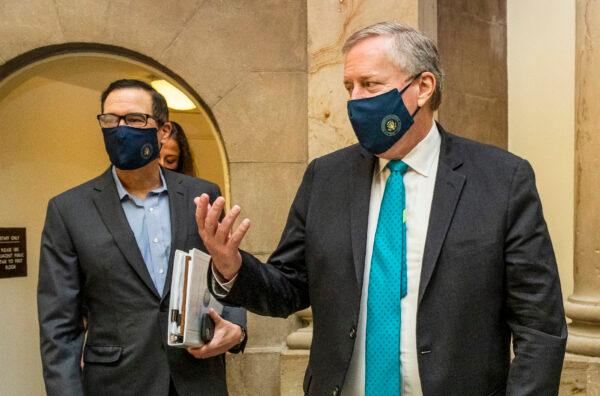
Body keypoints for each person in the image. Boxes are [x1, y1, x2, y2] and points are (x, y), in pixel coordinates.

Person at [195, 22, 567, 395]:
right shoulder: (327, 177)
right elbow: (289, 288)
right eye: (349, 87)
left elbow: (540, 325)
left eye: (370, 85)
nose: (356, 100)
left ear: (423, 87)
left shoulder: (501, 179)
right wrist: (232, 267)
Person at [38, 79, 247, 396]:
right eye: (110, 120)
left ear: (163, 131)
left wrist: (236, 325)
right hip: (117, 383)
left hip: (196, 379)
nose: (120, 129)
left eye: (134, 119)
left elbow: (226, 270)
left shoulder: (201, 195)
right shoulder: (69, 210)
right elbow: (58, 327)